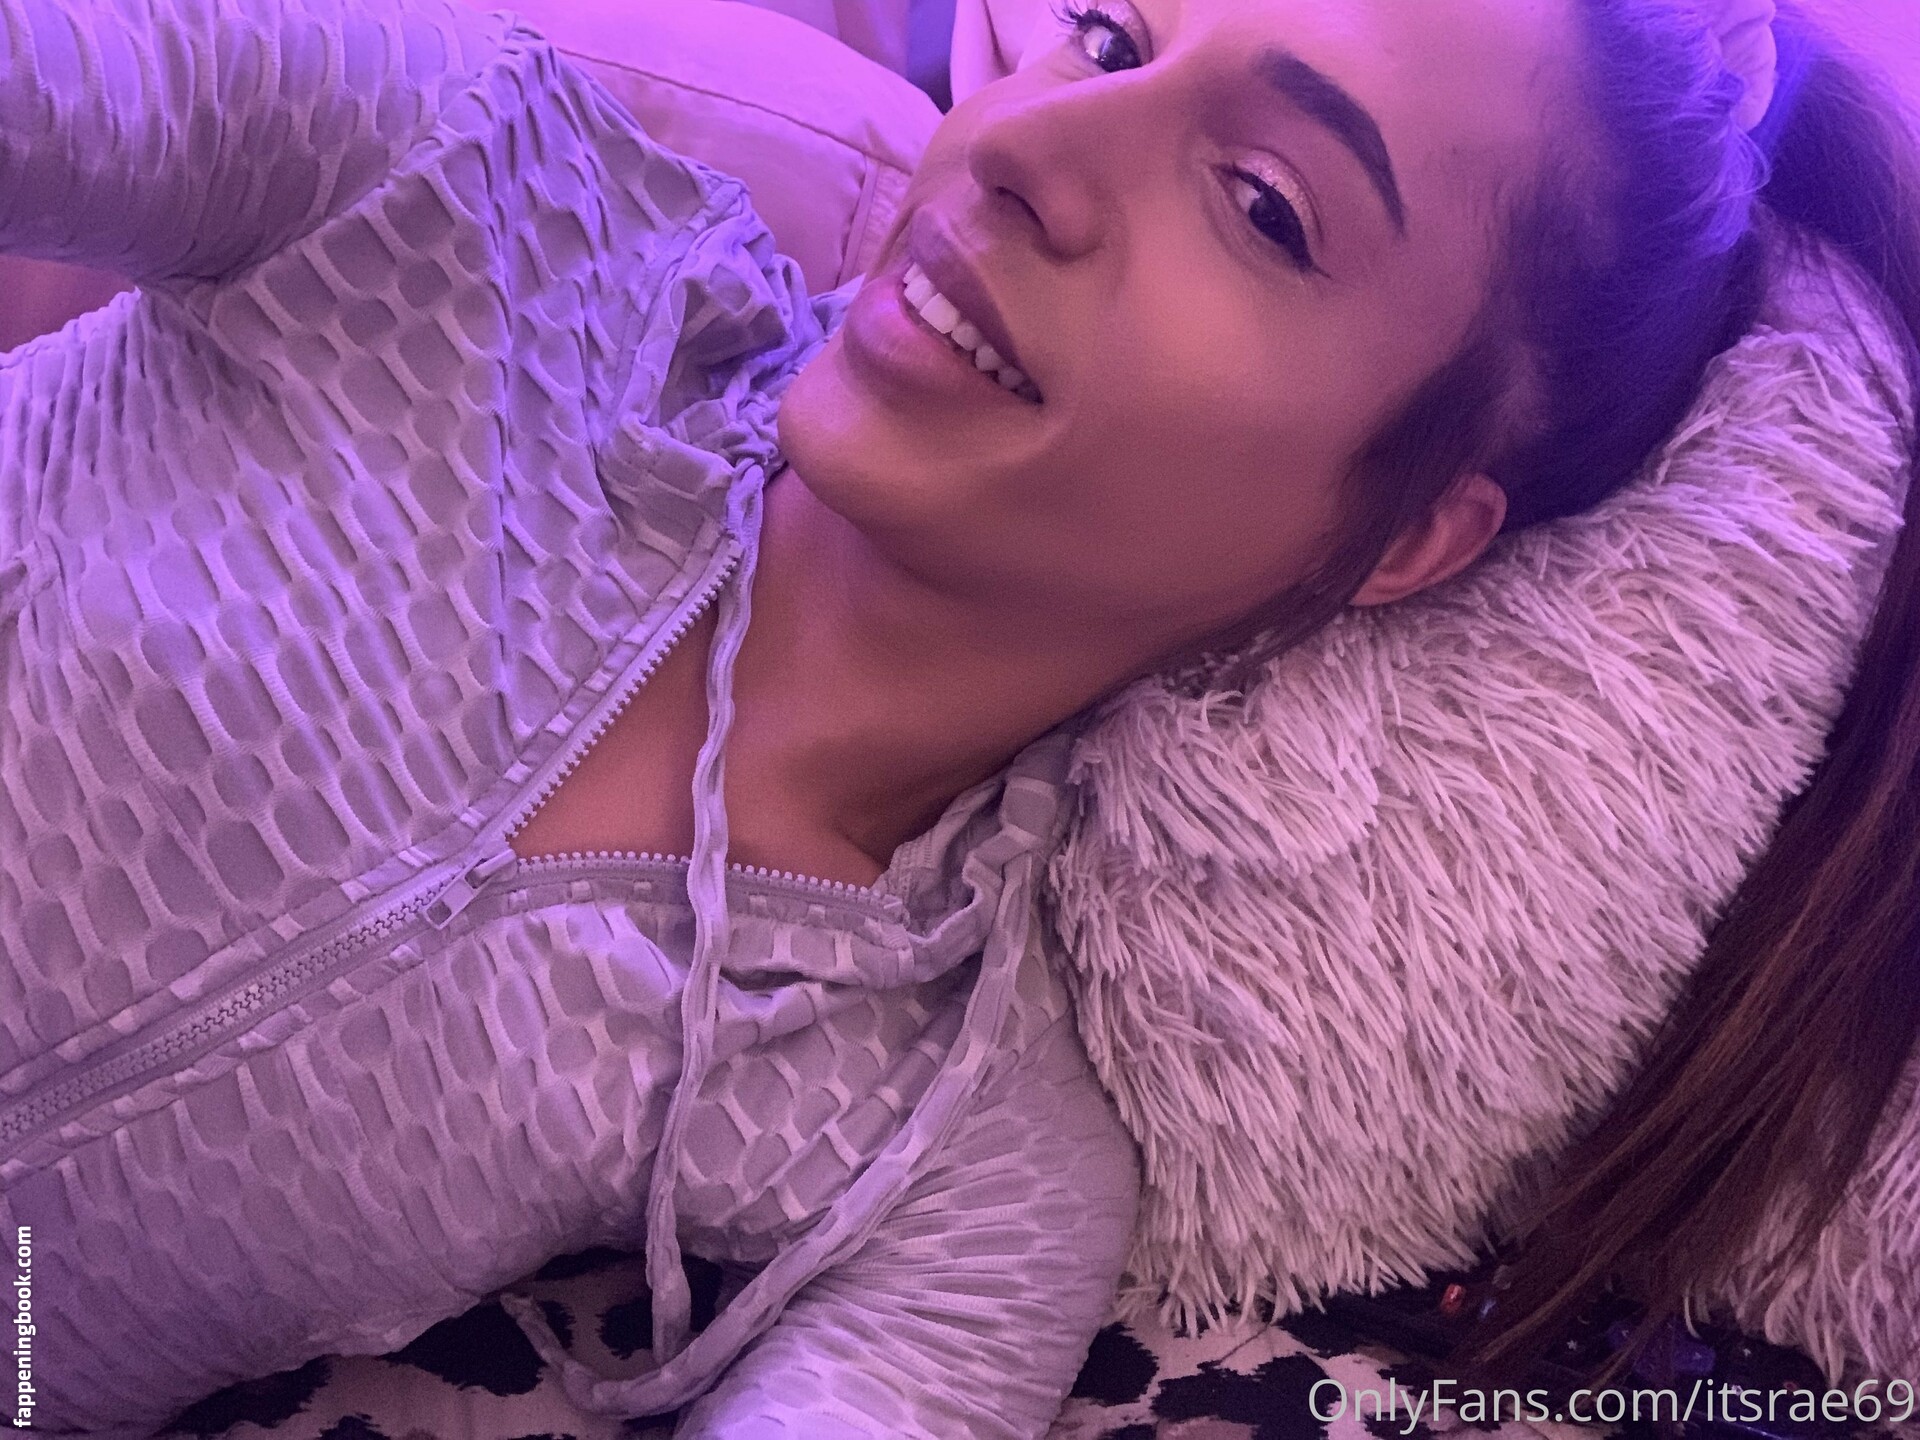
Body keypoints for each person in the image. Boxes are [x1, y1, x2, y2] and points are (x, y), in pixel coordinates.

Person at [0, 0, 1912, 1435]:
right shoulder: (460, 189)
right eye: (1108, 36)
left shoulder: (954, 1152)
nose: (1028, 145)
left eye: (1262, 204)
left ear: (1406, 537)